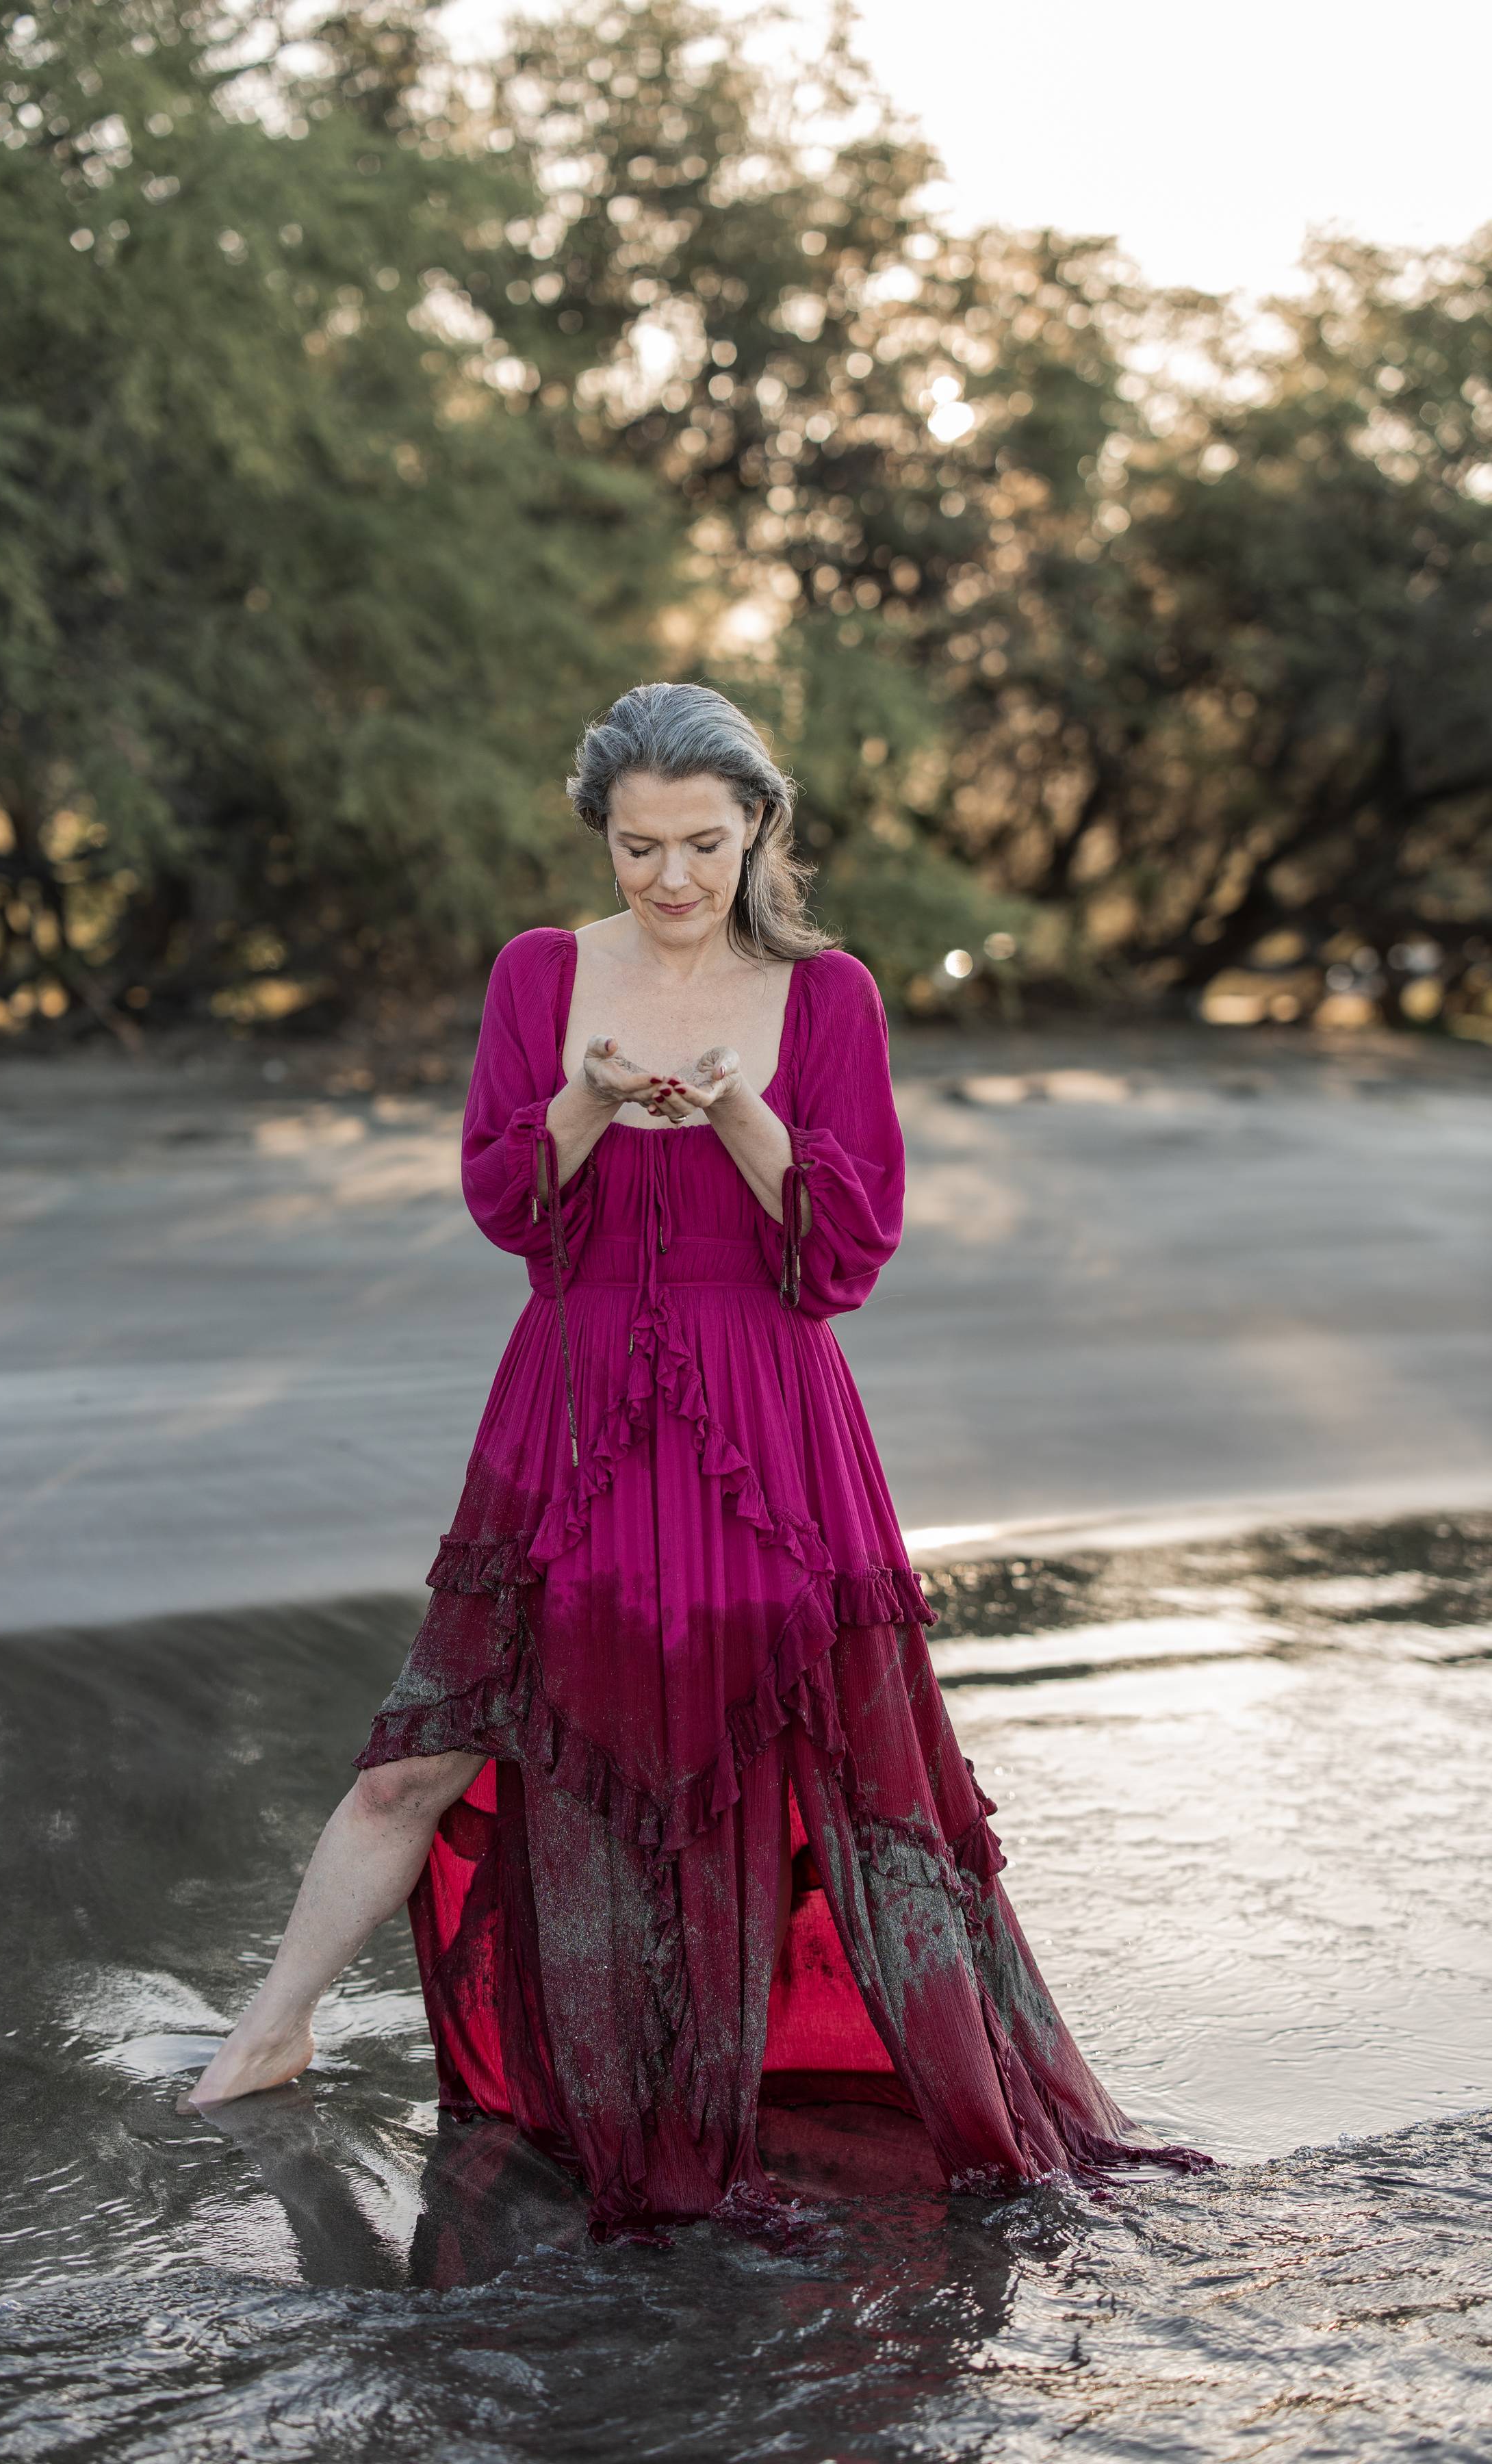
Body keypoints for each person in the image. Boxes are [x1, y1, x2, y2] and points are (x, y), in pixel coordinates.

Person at [190, 682, 1207, 2236]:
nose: (671, 880)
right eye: (641, 845)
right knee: (425, 1747)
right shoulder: (540, 974)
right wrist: (588, 1103)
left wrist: (745, 1123)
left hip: (772, 1427)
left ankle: (740, 2088)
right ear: (602, 832)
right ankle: (274, 2023)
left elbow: (844, 1259)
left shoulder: (835, 997)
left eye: (705, 847)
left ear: (759, 833)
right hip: (572, 1408)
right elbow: (511, 1215)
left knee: (831, 1775)